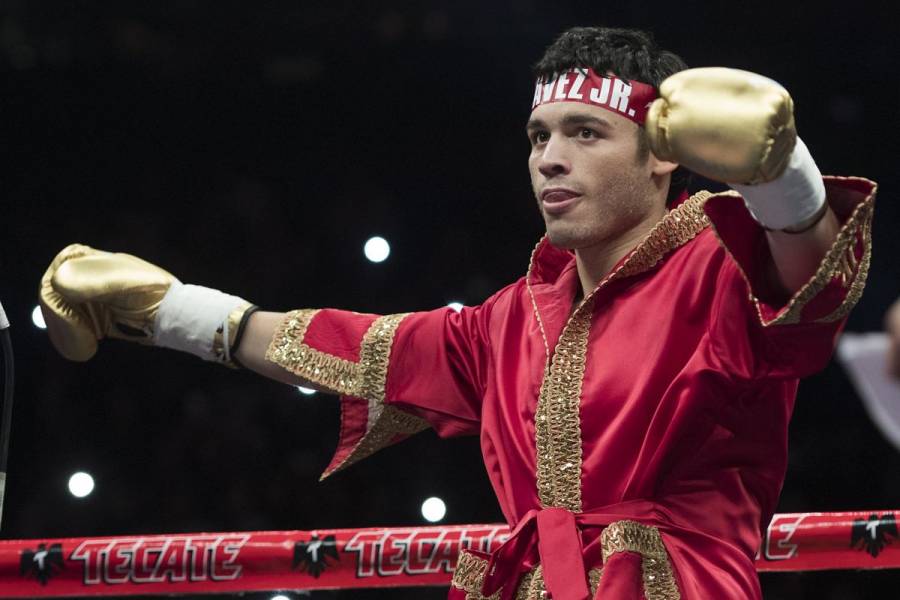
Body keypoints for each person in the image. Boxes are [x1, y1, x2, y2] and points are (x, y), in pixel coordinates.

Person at [38, 27, 876, 600]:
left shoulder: (725, 263)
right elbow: (342, 346)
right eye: (538, 136)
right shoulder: (510, 319)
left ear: (663, 156)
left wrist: (782, 174)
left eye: (585, 133)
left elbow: (816, 274)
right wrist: (164, 309)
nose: (549, 159)